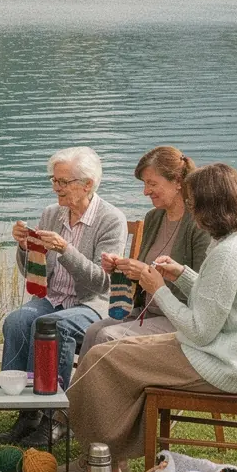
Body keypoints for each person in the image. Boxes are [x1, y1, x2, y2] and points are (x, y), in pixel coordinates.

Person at [65, 162, 237, 472]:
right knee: (108, 354)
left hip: (217, 363)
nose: (193, 213)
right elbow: (220, 303)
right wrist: (184, 275)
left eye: (194, 205)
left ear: (210, 207)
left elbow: (198, 331)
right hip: (231, 356)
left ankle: (100, 469)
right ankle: (105, 462)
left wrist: (159, 287)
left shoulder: (226, 256)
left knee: (105, 360)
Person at [0, 146, 127, 447]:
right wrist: (25, 248)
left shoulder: (111, 220)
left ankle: (54, 417)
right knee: (17, 321)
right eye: (54, 181)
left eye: (63, 182)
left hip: (91, 305)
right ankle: (26, 414)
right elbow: (34, 273)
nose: (56, 188)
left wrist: (65, 251)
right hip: (53, 297)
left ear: (88, 184)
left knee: (53, 326)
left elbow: (103, 282)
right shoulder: (51, 214)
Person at [79, 146, 211, 355]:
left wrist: (143, 270)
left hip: (180, 318)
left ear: (177, 181)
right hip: (147, 311)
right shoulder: (154, 218)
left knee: (108, 337)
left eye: (152, 183)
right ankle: (85, 388)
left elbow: (201, 289)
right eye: (144, 184)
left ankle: (107, 387)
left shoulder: (198, 224)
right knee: (93, 331)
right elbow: (144, 274)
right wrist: (121, 267)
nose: (145, 191)